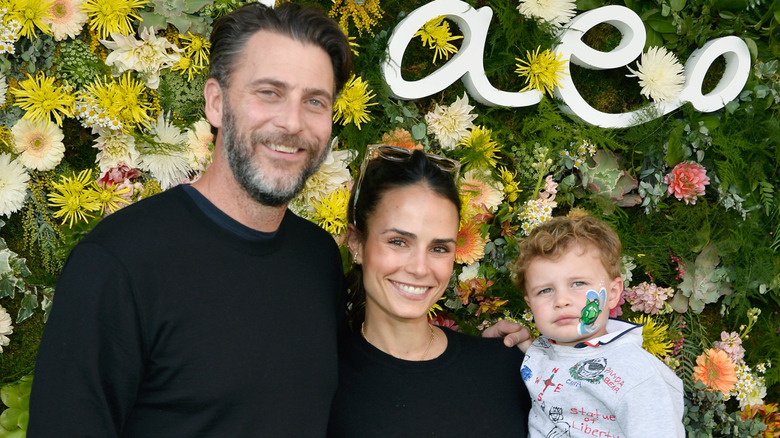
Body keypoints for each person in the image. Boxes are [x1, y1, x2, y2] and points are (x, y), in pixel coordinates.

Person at [28, 3, 353, 436]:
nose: (292, 122)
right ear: (216, 103)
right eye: (269, 92)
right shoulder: (117, 264)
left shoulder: (317, 257)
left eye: (315, 101)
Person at [327, 145, 532, 437]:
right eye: (398, 241)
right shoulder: (321, 382)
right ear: (357, 243)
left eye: (438, 248)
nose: (420, 268)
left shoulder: (505, 367)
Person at [510, 213, 685, 437]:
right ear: (530, 305)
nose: (561, 300)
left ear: (613, 293)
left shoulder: (637, 375)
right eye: (545, 290)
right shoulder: (541, 352)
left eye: (578, 283)